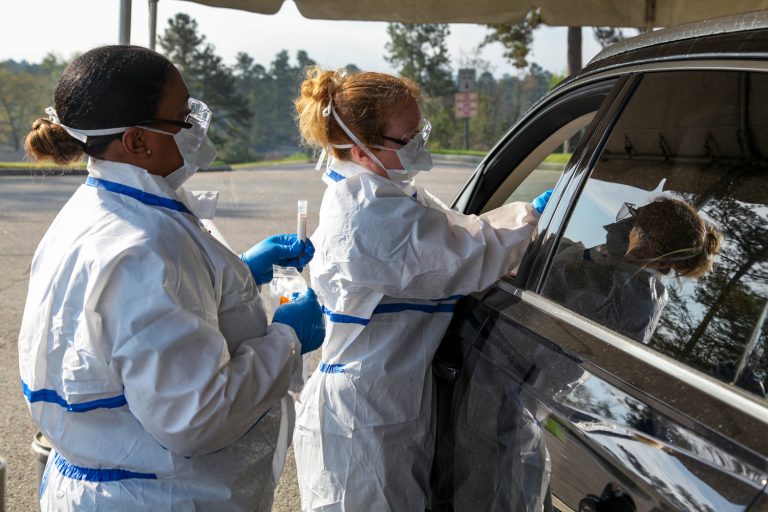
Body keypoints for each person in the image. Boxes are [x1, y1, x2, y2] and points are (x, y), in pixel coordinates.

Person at [18, 45, 325, 511]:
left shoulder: (98, 210)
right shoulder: (147, 247)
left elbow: (134, 329)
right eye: (185, 119)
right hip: (159, 496)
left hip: (110, 485)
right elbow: (196, 416)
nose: (197, 128)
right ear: (138, 141)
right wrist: (286, 339)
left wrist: (232, 276)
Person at [291, 66, 552, 511]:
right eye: (408, 138)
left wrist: (519, 222)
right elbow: (467, 254)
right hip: (362, 424)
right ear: (359, 149)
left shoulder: (388, 191)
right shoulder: (368, 216)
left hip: (386, 408)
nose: (420, 144)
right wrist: (534, 216)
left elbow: (457, 229)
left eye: (421, 130)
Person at [544, 196, 722, 342]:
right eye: (635, 216)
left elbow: (554, 279)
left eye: (641, 231)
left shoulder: (631, 301)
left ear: (661, 263)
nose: (626, 228)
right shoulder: (617, 263)